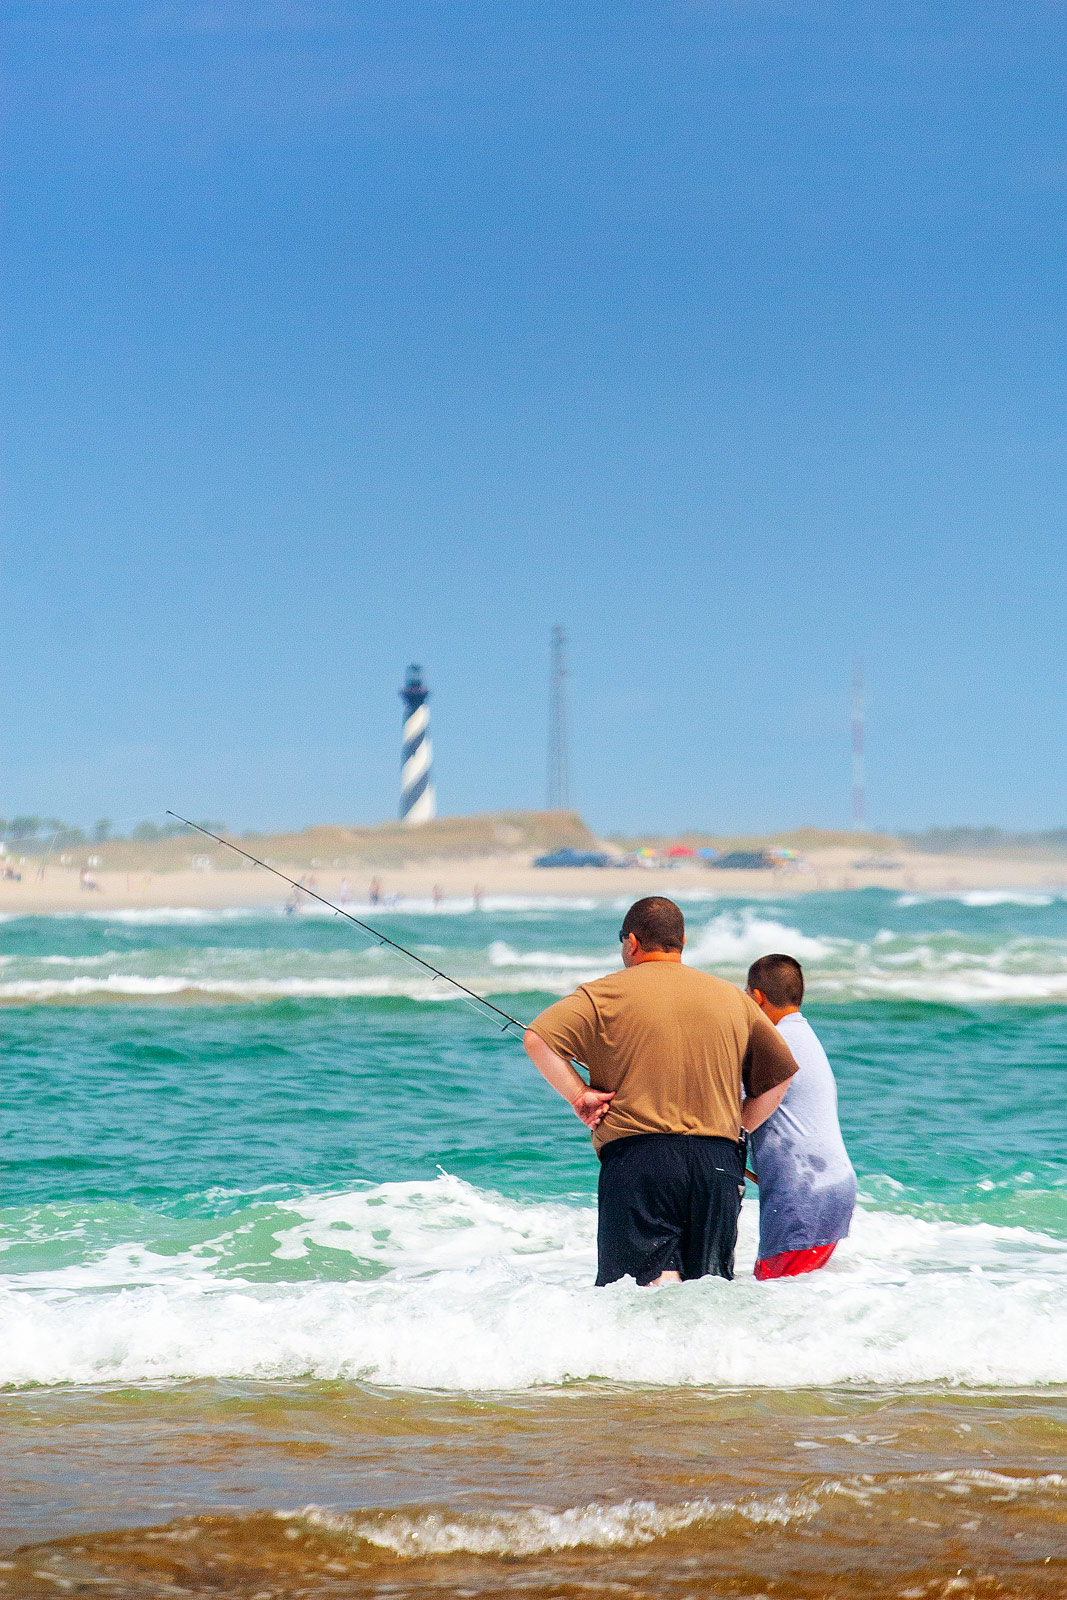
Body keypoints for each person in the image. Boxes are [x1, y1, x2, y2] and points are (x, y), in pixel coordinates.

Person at [523, 897, 798, 1286]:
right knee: (708, 1293)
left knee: (641, 1295)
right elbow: (781, 1075)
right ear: (681, 941)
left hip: (641, 1160)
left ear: (632, 942)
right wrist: (739, 1125)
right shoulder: (733, 998)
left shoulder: (603, 993)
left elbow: (538, 1039)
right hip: (717, 1164)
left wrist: (579, 1095)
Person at [744, 954, 857, 1280]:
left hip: (804, 1192)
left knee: (773, 1295)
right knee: (788, 1293)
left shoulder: (775, 1042)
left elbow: (736, 1116)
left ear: (757, 997)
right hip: (832, 1184)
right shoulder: (804, 1036)